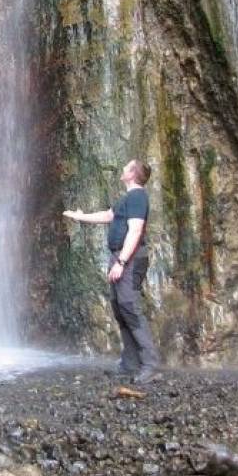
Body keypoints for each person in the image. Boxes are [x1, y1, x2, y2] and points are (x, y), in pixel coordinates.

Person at [63, 159, 161, 384]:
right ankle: (130, 363)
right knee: (120, 308)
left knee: (130, 307)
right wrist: (80, 216)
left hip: (130, 258)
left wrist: (123, 262)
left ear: (133, 174)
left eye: (126, 167)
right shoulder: (127, 198)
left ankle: (151, 364)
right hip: (119, 256)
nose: (122, 169)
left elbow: (135, 231)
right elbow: (108, 216)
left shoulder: (138, 196)